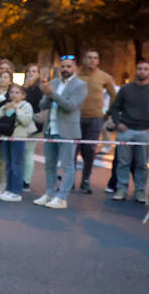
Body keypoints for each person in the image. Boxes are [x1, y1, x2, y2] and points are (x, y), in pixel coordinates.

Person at [34, 56, 87, 210]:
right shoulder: (54, 82)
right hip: (50, 128)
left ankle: (62, 197)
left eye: (68, 66)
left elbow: (70, 106)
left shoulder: (80, 85)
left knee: (67, 165)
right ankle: (50, 193)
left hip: (67, 131)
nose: (65, 69)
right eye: (62, 67)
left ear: (75, 68)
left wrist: (52, 94)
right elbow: (42, 105)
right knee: (49, 164)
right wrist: (46, 93)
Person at [107, 60, 149, 203]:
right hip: (126, 130)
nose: (142, 71)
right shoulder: (126, 88)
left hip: (145, 131)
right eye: (140, 69)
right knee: (123, 162)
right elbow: (115, 107)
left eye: (146, 69)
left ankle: (139, 191)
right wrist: (118, 123)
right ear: (136, 71)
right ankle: (121, 190)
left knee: (142, 163)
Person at [75, 49, 116, 194]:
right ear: (84, 60)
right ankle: (70, 179)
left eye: (95, 58)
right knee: (73, 149)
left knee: (90, 150)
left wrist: (108, 113)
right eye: (89, 57)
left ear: (98, 61)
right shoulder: (76, 76)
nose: (92, 60)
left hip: (95, 119)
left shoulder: (104, 77)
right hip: (76, 118)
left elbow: (114, 95)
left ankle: (86, 180)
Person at [0, 83, 33, 202]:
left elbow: (26, 121)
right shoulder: (6, 105)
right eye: (12, 92)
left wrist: (17, 110)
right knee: (8, 164)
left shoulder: (26, 106)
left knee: (17, 164)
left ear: (23, 95)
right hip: (6, 137)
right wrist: (3, 111)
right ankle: (8, 189)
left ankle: (16, 191)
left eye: (17, 93)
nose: (14, 95)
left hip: (18, 138)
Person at [21, 62, 44, 192]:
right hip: (22, 123)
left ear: (38, 74)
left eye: (34, 71)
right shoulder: (24, 88)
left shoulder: (39, 89)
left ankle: (26, 181)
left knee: (29, 151)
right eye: (29, 71)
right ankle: (21, 178)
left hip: (34, 125)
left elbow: (39, 108)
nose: (31, 74)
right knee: (22, 152)